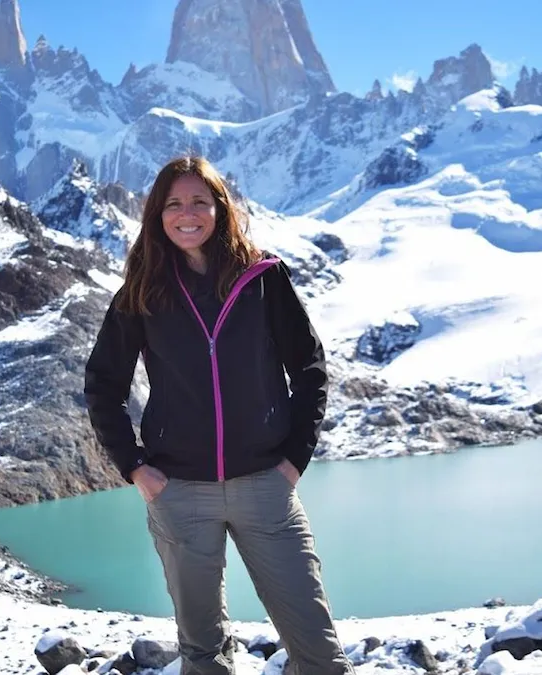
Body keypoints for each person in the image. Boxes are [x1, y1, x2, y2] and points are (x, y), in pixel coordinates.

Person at [84, 155, 354, 675]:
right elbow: (103, 383)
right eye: (174, 204)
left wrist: (293, 461)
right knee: (204, 657)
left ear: (220, 208)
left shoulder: (263, 277)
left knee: (321, 656)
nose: (188, 214)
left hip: (265, 486)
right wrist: (135, 467)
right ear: (157, 215)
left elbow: (310, 367)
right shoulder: (142, 290)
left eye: (199, 202)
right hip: (179, 492)